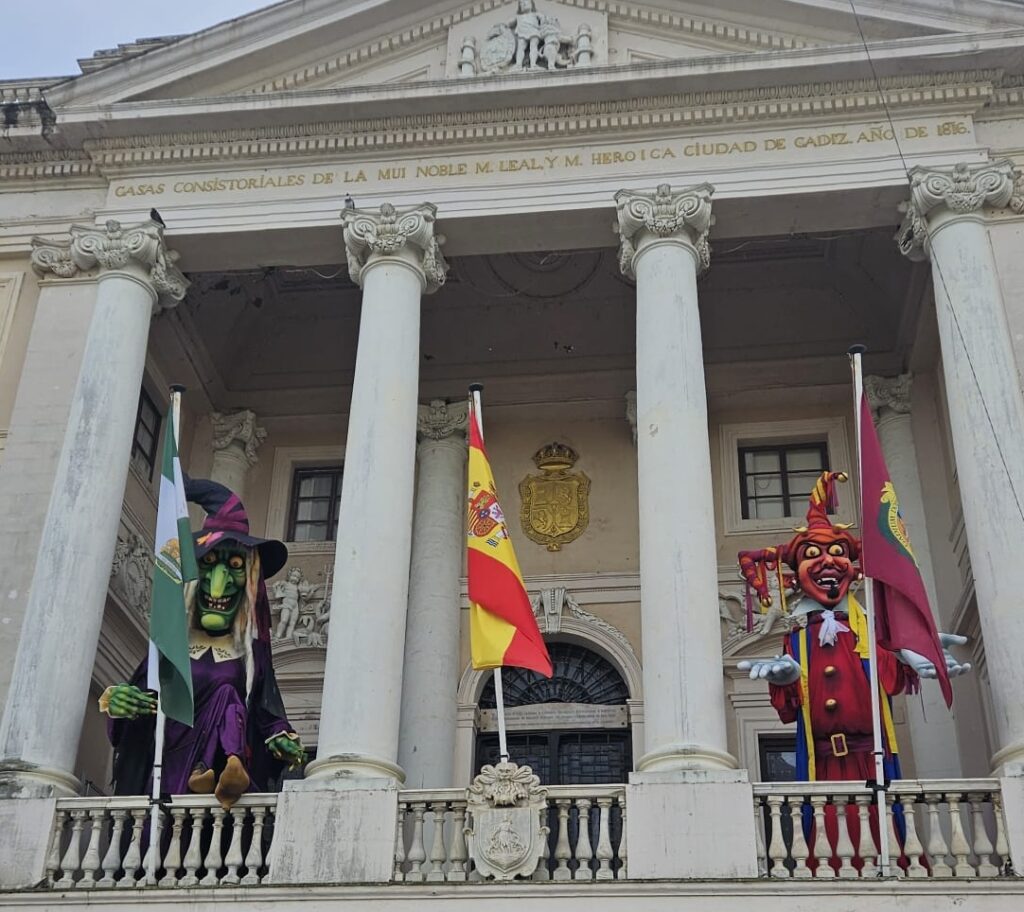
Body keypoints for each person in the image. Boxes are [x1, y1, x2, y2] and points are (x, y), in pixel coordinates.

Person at [99, 478, 306, 809]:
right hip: (166, 773)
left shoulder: (250, 657)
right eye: (209, 565)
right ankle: (203, 771)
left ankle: (224, 768)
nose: (219, 583)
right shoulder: (170, 649)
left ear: (249, 585)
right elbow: (140, 709)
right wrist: (120, 703)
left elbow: (267, 715)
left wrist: (281, 738)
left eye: (235, 568)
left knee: (228, 696)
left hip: (219, 802)